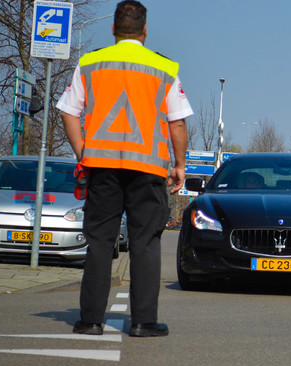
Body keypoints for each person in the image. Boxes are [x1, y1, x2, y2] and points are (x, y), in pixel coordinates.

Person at [57, 0, 192, 337]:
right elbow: (176, 124)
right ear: (145, 31)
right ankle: (144, 322)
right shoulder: (164, 68)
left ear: (114, 29)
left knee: (100, 242)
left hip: (101, 167)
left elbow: (68, 111)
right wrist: (179, 165)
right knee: (145, 242)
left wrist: (82, 152)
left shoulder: (90, 64)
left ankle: (90, 321)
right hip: (147, 170)